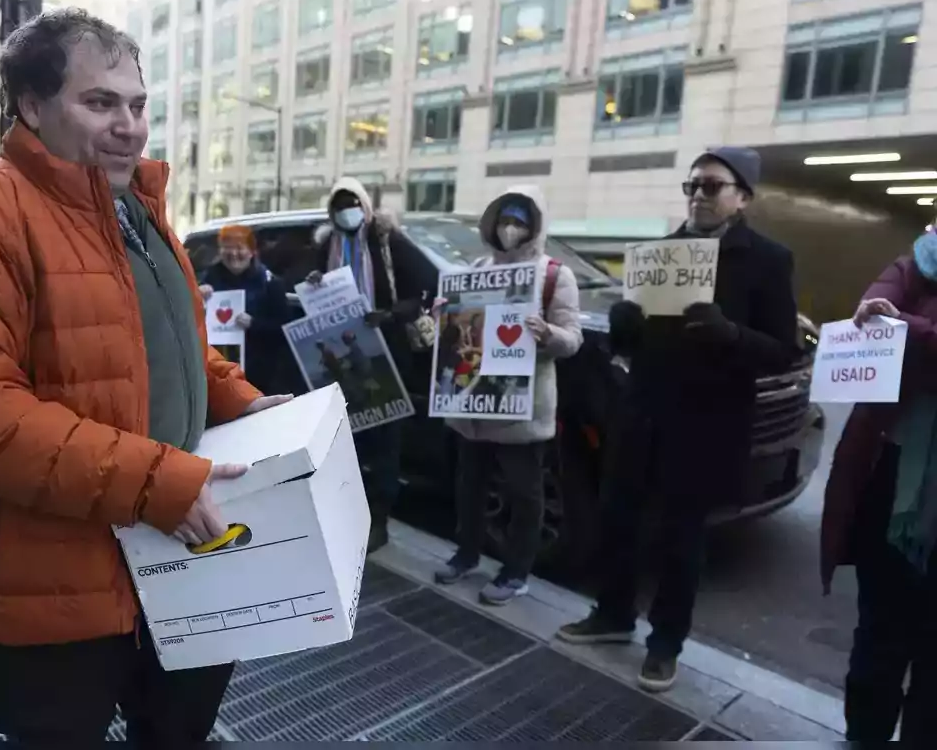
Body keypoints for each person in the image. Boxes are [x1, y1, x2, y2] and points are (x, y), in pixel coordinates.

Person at [0, 8, 289, 746]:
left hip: (181, 556)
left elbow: (172, 347)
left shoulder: (139, 210)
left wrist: (248, 400)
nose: (130, 127)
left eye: (138, 105)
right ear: (32, 107)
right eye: (100, 102)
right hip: (54, 585)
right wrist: (155, 484)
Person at [556, 147, 799, 693]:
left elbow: (784, 350)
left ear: (743, 197)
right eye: (691, 186)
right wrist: (623, 326)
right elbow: (632, 346)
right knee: (617, 518)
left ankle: (665, 643)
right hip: (642, 413)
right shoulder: (660, 253)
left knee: (680, 538)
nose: (697, 196)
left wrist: (730, 333)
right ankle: (612, 614)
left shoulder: (767, 259)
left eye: (711, 186)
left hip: (706, 424)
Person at [433, 186, 583, 606]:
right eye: (503, 221)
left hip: (522, 410)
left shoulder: (555, 275)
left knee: (523, 493)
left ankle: (516, 572)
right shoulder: (477, 267)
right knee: (470, 488)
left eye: (519, 221)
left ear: (534, 226)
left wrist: (546, 333)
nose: (510, 229)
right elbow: (463, 329)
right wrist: (447, 315)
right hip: (473, 404)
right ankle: (466, 553)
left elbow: (573, 340)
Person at [822, 225, 937, 742]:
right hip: (888, 485)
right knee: (878, 636)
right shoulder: (918, 259)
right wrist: (886, 320)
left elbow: (902, 330)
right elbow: (873, 310)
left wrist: (909, 329)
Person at [305, 177, 429, 553]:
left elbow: (425, 287)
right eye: (340, 205)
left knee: (385, 443)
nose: (348, 211)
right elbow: (307, 284)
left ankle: (381, 520)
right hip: (341, 362)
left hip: (385, 357)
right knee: (348, 442)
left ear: (364, 205)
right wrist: (312, 280)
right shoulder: (327, 244)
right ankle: (351, 514)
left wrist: (388, 314)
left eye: (353, 203)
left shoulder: (387, 241)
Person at [197, 224, 291, 394]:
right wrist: (197, 298)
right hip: (218, 376)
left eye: (240, 248)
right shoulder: (208, 279)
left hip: (260, 378)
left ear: (252, 251)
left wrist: (254, 324)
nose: (233, 254)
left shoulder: (269, 283)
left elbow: (285, 331)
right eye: (227, 248)